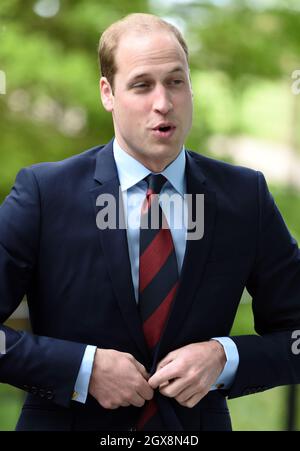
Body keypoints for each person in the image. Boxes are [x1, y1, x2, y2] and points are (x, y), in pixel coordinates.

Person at [1, 13, 300, 432]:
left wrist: (225, 357)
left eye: (175, 81)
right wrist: (82, 369)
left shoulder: (244, 196)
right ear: (108, 93)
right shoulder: (44, 194)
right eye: (142, 85)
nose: (163, 102)